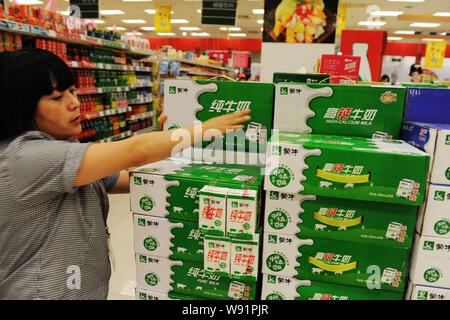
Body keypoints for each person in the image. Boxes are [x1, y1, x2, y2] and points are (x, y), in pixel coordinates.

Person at [0, 48, 251, 300]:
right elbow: (134, 152)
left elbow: (130, 177)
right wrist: (201, 129)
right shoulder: (24, 157)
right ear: (20, 105)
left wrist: (162, 138)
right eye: (56, 97)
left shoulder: (65, 152)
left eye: (72, 91)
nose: (74, 102)